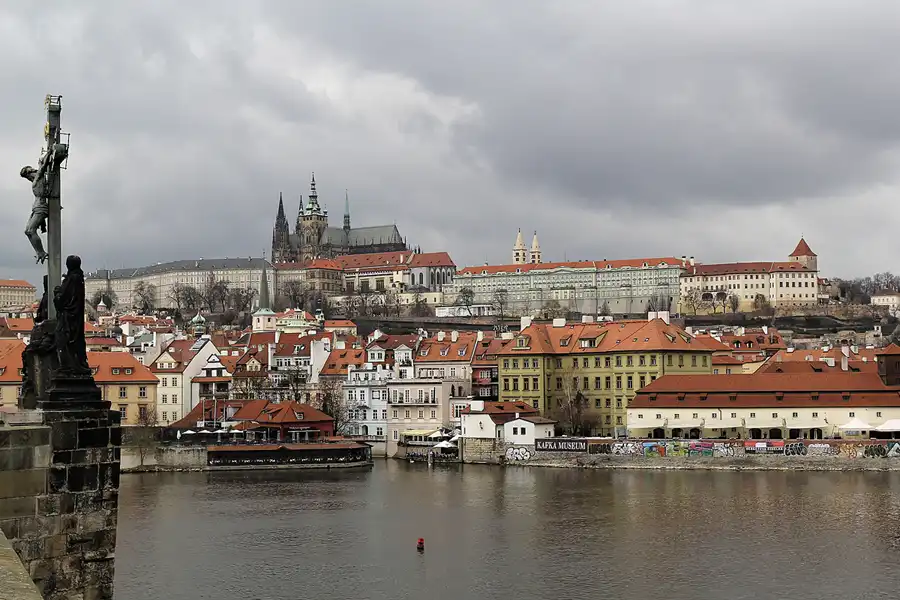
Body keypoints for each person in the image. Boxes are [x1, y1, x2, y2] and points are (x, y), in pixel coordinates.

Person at [21, 147, 55, 263]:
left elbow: (43, 166)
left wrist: (49, 153)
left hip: (40, 207)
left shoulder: (38, 178)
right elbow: (42, 166)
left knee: (30, 230)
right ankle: (40, 252)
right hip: (36, 207)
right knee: (27, 231)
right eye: (32, 171)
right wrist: (47, 155)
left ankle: (41, 252)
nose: (35, 171)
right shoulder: (36, 180)